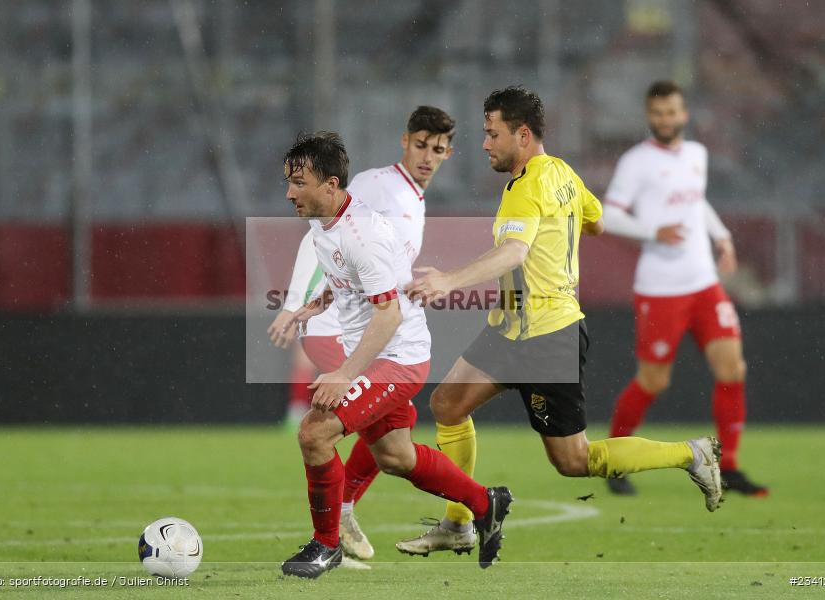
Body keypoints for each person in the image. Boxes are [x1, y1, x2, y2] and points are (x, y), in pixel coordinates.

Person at [401, 86, 723, 557]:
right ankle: (459, 524)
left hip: (547, 335)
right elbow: (595, 221)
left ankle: (692, 454)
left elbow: (513, 250)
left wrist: (450, 281)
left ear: (523, 134)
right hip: (511, 326)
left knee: (574, 461)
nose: (486, 144)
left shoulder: (528, 185)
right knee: (448, 404)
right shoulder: (563, 174)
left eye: (493, 134)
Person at [279, 132, 512, 578]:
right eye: (289, 182)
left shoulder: (361, 233)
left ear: (330, 184)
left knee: (314, 434)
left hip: (397, 358)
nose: (290, 193)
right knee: (396, 458)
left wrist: (346, 374)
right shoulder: (326, 222)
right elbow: (351, 277)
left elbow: (387, 316)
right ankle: (487, 503)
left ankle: (325, 546)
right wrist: (321, 300)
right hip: (376, 354)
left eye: (299, 183)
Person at [268, 107, 456, 560]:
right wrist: (295, 302)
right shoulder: (377, 184)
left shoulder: (412, 196)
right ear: (404, 141)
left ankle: (341, 520)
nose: (428, 156)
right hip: (348, 330)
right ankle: (335, 529)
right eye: (420, 145)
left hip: (373, 328)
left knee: (395, 436)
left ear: (450, 153)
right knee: (334, 433)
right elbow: (318, 232)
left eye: (438, 149)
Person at [601, 81, 768, 498]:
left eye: (671, 112)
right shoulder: (636, 162)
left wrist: (722, 235)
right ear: (649, 115)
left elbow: (696, 201)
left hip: (704, 283)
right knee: (654, 381)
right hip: (660, 289)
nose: (665, 119)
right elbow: (608, 215)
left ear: (684, 113)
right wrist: (653, 230)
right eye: (657, 113)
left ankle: (727, 464)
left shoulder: (697, 154)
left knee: (733, 369)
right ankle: (614, 461)